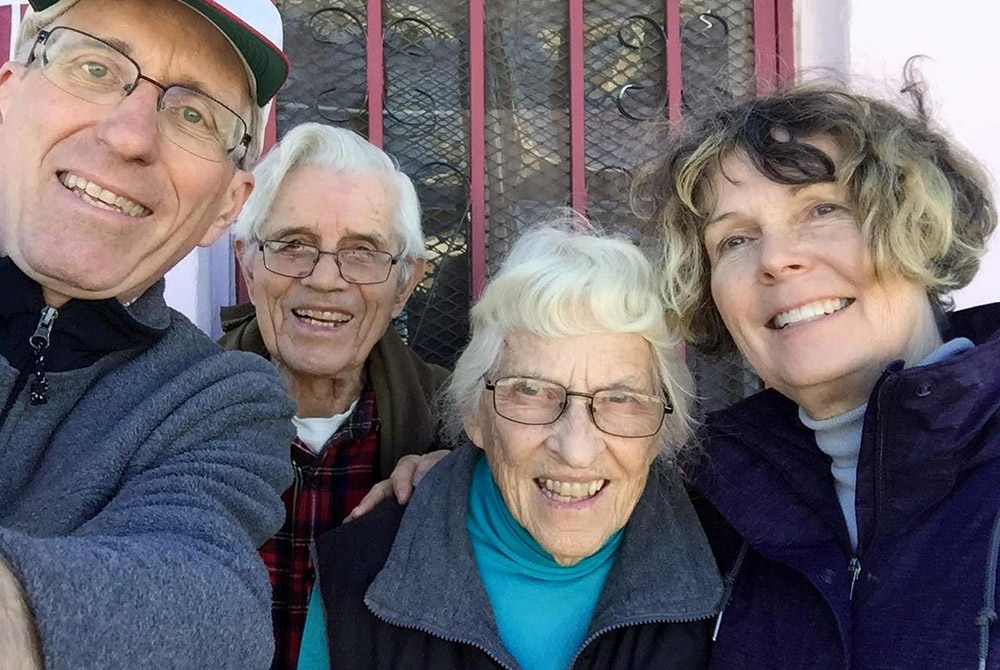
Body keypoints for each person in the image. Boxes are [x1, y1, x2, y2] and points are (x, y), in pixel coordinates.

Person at [633, 83, 1000, 668]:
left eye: (823, 209)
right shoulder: (711, 514)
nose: (776, 258)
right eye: (735, 239)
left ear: (919, 226)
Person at [0, 1, 296, 668]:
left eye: (195, 114)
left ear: (227, 204)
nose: (130, 135)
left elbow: (210, 602)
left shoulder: (222, 399)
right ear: (8, 95)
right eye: (95, 66)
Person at [300, 221, 724, 670]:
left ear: (661, 430)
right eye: (532, 392)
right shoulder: (357, 576)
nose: (576, 450)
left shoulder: (733, 564)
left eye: (620, 399)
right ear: (474, 416)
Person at [218, 122, 449, 670]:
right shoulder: (169, 411)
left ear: (405, 285)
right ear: (248, 262)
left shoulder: (457, 430)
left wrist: (468, 480)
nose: (324, 279)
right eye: (293, 244)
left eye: (363, 251)